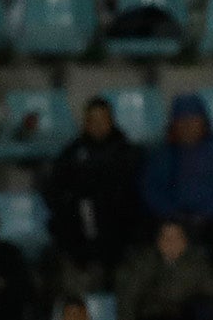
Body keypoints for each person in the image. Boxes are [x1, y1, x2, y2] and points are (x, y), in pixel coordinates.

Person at [140, 94, 213, 299]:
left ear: (203, 122)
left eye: (193, 121)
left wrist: (207, 212)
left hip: (212, 218)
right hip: (173, 218)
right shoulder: (162, 155)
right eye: (182, 122)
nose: (187, 127)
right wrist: (172, 214)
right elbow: (151, 189)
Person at [44, 97, 146, 289]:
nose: (98, 125)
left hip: (123, 240)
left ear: (111, 121)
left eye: (102, 120)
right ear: (85, 122)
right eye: (92, 120)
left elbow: (138, 199)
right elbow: (55, 193)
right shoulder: (71, 155)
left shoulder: (130, 154)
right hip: (82, 241)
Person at [114, 219, 213, 320]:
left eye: (176, 238)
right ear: (158, 241)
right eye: (165, 238)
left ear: (185, 241)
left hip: (180, 318)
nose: (170, 243)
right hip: (149, 318)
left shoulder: (197, 265)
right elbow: (129, 294)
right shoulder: (144, 261)